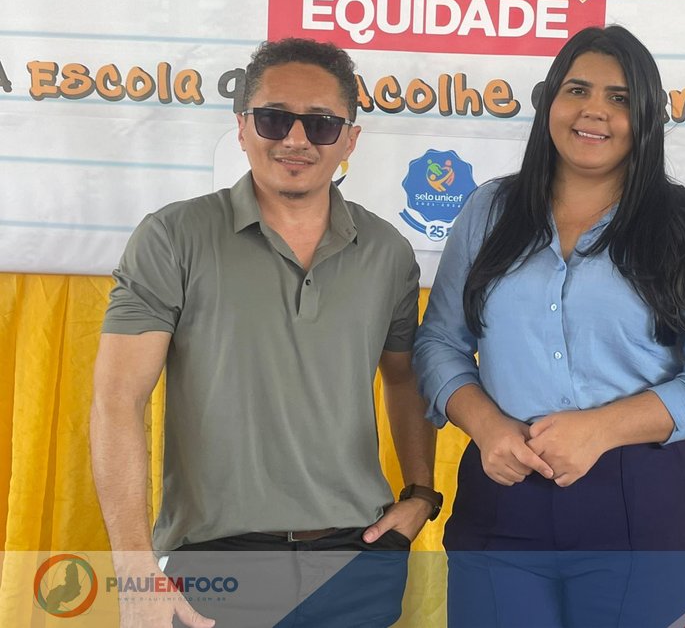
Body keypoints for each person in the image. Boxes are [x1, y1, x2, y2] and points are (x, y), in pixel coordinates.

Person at [414, 25, 685, 627]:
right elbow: (439, 343)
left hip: (638, 502)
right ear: (550, 101)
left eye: (619, 98)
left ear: (645, 116)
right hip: (502, 491)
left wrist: (602, 429)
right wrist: (486, 425)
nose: (594, 111)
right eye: (577, 90)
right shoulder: (488, 212)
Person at [90, 38, 442, 628]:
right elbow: (117, 401)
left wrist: (421, 496)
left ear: (350, 139)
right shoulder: (173, 237)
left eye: (321, 124)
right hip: (215, 565)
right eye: (275, 118)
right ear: (242, 127)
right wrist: (135, 571)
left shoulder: (388, 251)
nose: (296, 139)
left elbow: (405, 379)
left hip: (358, 559)